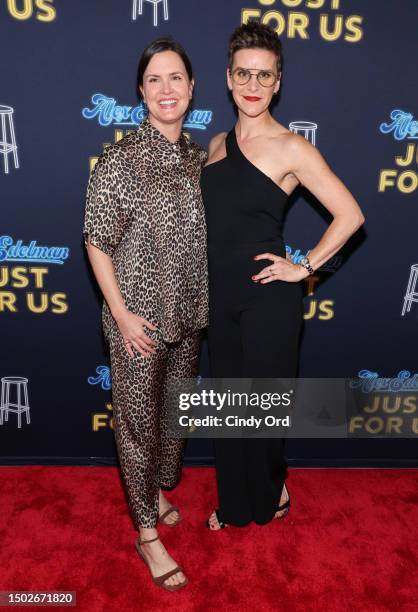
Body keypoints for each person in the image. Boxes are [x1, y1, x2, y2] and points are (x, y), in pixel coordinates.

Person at [200, 21, 365, 530]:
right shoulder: (216, 144)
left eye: (264, 75)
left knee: (264, 407)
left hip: (269, 297)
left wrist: (304, 266)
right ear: (228, 78)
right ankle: (235, 504)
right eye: (244, 73)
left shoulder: (293, 148)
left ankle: (272, 491)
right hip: (218, 296)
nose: (253, 84)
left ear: (278, 83)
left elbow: (350, 215)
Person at [83, 37, 208, 590]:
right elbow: (95, 242)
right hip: (137, 320)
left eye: (175, 78)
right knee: (136, 428)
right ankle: (146, 534)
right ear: (141, 91)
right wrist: (123, 315)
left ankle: (155, 490)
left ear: (192, 88)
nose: (166, 89)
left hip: (188, 314)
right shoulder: (120, 160)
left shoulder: (199, 158)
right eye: (155, 80)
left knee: (173, 422)